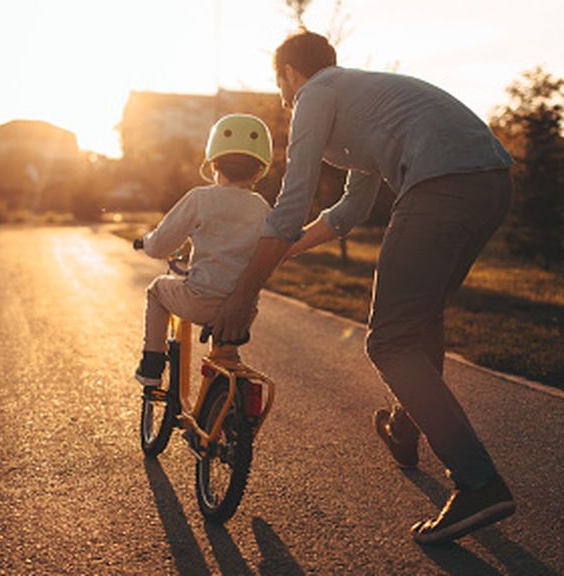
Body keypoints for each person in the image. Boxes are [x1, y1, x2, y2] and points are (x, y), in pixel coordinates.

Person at [210, 30, 516, 544]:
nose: (282, 93)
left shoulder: (316, 94)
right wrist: (280, 253)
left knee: (388, 340)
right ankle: (404, 426)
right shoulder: (361, 100)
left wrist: (245, 293)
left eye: (278, 80)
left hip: (441, 184)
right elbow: (349, 211)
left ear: (288, 73)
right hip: (491, 182)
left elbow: (291, 204)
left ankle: (478, 480)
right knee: (419, 323)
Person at [133, 114, 273, 393]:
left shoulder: (201, 198)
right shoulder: (261, 207)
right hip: (243, 310)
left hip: (201, 301)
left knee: (157, 290)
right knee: (224, 357)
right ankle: (221, 400)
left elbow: (161, 244)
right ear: (259, 170)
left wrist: (147, 243)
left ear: (213, 163)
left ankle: (151, 366)